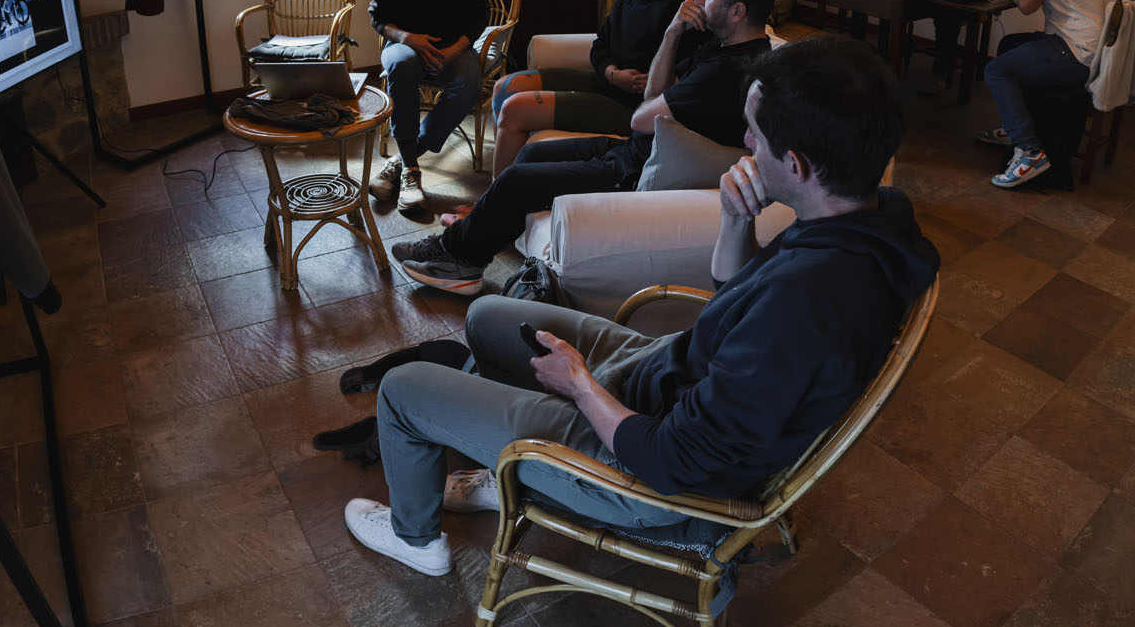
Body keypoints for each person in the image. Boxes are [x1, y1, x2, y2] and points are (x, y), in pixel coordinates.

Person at [341, 33, 939, 577]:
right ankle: (511, 470)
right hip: (665, 377)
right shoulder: (865, 218)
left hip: (642, 474)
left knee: (403, 389)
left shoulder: (807, 305)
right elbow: (740, 298)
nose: (744, 142)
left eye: (755, 133)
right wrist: (736, 220)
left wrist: (580, 386)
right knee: (489, 317)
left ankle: (417, 539)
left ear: (799, 165)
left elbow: (671, 459)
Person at [390, 0, 779, 291]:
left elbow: (641, 118)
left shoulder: (726, 72)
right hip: (637, 151)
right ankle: (466, 241)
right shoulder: (722, 47)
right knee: (532, 155)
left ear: (738, 11)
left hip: (635, 172)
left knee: (517, 179)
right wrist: (672, 33)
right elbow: (652, 96)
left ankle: (459, 261)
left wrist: (659, 88)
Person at [484, 0, 694, 174]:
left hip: (630, 106)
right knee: (504, 86)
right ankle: (507, 177)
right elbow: (600, 44)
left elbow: (683, 76)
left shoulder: (679, 11)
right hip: (607, 82)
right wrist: (612, 74)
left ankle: (500, 192)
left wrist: (641, 81)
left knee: (514, 109)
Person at [367, 0, 488, 212]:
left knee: (469, 83)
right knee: (402, 64)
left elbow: (480, 16)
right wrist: (409, 39)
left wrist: (452, 52)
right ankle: (411, 174)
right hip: (404, 44)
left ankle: (402, 159)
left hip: (452, 47)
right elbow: (378, 17)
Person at [978, 0, 1106, 190]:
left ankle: (1029, 152)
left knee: (996, 70)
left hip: (1076, 53)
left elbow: (1026, 5)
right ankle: (1014, 126)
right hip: (1079, 45)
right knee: (1008, 45)